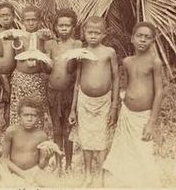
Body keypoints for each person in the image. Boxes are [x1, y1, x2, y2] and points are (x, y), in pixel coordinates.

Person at [102, 21, 163, 187]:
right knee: (124, 149)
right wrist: (118, 108)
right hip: (127, 113)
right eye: (139, 36)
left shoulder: (154, 63)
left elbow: (159, 92)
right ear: (132, 39)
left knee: (143, 150)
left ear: (152, 41)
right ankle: (126, 181)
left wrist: (151, 122)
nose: (143, 40)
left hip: (143, 116)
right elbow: (126, 86)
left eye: (147, 37)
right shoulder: (128, 61)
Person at [68, 16, 119, 187]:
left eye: (97, 33)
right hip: (84, 100)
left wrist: (114, 106)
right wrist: (73, 109)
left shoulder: (109, 52)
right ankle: (88, 173)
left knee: (101, 139)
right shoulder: (82, 53)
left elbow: (116, 77)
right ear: (84, 33)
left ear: (104, 35)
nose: (93, 36)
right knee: (86, 139)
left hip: (104, 102)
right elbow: (77, 82)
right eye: (90, 32)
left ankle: (100, 174)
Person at [45, 9, 82, 172]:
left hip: (69, 93)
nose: (64, 28)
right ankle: (58, 162)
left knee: (68, 129)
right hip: (53, 92)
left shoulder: (77, 44)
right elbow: (47, 70)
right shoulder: (51, 44)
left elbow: (72, 69)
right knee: (57, 129)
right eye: (61, 25)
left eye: (68, 25)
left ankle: (68, 164)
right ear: (55, 27)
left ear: (73, 27)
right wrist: (44, 61)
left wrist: (72, 57)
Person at [7, 5, 53, 130]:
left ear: (39, 21)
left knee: (37, 111)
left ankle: (36, 140)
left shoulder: (43, 36)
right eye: (28, 20)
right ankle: (19, 141)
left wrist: (44, 42)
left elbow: (48, 65)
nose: (31, 23)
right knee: (19, 111)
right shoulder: (18, 36)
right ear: (22, 21)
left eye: (34, 19)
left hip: (37, 80)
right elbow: (14, 58)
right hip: (20, 79)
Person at [2, 97, 59, 187]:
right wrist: (22, 174)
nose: (29, 119)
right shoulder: (11, 131)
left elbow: (41, 165)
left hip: (34, 172)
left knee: (52, 185)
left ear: (38, 117)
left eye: (33, 115)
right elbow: (4, 159)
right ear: (19, 115)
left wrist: (47, 158)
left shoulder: (42, 136)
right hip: (14, 172)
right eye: (26, 115)